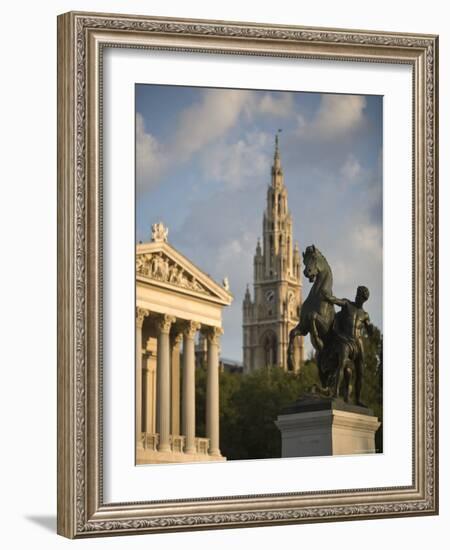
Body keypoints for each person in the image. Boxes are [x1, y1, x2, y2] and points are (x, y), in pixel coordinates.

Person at [325, 286, 372, 405]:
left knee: (360, 371)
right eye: (357, 295)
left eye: (361, 297)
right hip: (346, 340)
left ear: (364, 299)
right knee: (342, 364)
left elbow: (370, 331)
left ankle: (358, 399)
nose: (358, 298)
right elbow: (336, 300)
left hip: (358, 343)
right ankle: (335, 393)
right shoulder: (347, 304)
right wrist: (327, 297)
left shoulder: (365, 315)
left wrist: (370, 328)